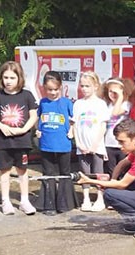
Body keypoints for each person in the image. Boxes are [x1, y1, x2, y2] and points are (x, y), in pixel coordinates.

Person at [0, 60, 38, 215]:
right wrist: (3, 127)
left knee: (22, 170)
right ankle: (5, 201)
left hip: (22, 140)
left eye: (12, 78)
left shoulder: (27, 95)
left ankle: (24, 200)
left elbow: (34, 116)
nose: (8, 81)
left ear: (19, 78)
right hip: (3, 141)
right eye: (6, 77)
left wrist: (24, 129)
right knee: (4, 171)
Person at [35, 71, 77, 215]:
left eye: (55, 89)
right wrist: (37, 131)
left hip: (63, 144)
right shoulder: (43, 102)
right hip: (46, 144)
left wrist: (72, 130)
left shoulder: (66, 102)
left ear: (61, 87)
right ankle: (49, 204)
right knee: (48, 173)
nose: (52, 92)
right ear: (44, 88)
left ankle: (64, 203)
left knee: (64, 173)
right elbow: (38, 118)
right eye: (49, 90)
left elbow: (74, 119)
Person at [72, 71, 110, 211]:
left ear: (95, 86)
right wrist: (79, 144)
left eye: (87, 86)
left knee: (98, 172)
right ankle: (86, 198)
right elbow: (75, 125)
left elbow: (102, 126)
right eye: (82, 86)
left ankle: (100, 198)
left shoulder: (100, 104)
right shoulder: (77, 104)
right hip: (82, 146)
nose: (84, 89)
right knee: (84, 172)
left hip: (96, 145)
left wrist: (95, 144)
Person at [103, 78, 133, 179]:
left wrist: (120, 96)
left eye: (115, 91)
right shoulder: (108, 105)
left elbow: (115, 113)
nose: (112, 94)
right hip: (109, 143)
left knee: (122, 170)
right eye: (110, 91)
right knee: (111, 170)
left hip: (121, 144)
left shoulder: (126, 104)